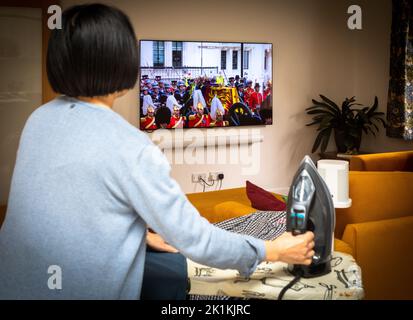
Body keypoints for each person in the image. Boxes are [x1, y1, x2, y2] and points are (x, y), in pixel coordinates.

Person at [0, 4, 314, 300]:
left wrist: (142, 235)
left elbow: (70, 204)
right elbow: (197, 239)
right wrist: (274, 250)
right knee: (178, 274)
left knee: (168, 269)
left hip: (13, 284)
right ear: (123, 66)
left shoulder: (38, 119)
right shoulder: (130, 145)